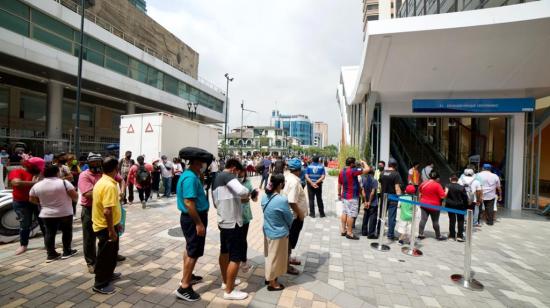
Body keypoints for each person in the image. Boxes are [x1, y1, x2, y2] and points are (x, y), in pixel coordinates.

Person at [211, 159, 250, 300]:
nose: (238, 177)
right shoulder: (228, 176)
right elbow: (242, 190)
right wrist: (248, 192)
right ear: (233, 169)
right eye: (238, 173)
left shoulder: (216, 179)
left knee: (224, 252)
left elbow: (216, 203)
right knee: (236, 257)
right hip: (234, 223)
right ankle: (229, 291)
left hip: (223, 221)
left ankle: (225, 281)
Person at [175, 156, 210, 302]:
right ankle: (184, 287)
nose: (204, 166)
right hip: (193, 218)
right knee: (193, 252)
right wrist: (199, 223)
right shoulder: (189, 178)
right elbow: (189, 202)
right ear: (197, 163)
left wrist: (200, 178)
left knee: (190, 248)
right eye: (202, 163)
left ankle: (188, 276)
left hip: (192, 217)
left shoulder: (192, 176)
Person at [29, 164, 79, 262]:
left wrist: (43, 203)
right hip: (65, 212)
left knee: (49, 233)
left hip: (47, 213)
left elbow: (31, 199)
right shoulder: (64, 183)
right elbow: (75, 196)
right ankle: (67, 251)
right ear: (57, 172)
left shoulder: (37, 185)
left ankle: (51, 254)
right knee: (67, 232)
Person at [91, 157, 122, 294]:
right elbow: (107, 211)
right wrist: (111, 231)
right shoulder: (109, 185)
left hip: (108, 225)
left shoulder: (103, 181)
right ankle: (100, 284)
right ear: (116, 168)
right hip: (105, 227)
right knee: (105, 255)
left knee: (111, 254)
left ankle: (108, 274)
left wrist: (116, 224)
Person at [262, 174, 293, 291]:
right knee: (275, 259)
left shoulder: (265, 197)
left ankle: (268, 277)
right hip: (278, 233)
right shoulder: (282, 200)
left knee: (269, 256)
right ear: (280, 184)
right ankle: (272, 283)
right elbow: (289, 218)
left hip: (267, 230)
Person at [9, 157, 46, 255]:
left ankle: (48, 243)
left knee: (43, 223)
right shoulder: (17, 171)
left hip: (36, 201)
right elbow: (16, 183)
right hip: (22, 202)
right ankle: (23, 245)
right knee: (25, 224)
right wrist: (35, 183)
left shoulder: (38, 173)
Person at [282, 158, 307, 276]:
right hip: (294, 216)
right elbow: (292, 201)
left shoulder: (286, 177)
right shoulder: (295, 181)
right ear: (298, 170)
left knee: (289, 240)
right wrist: (300, 214)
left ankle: (288, 258)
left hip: (288, 214)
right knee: (290, 240)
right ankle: (286, 265)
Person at [338, 157, 369, 240]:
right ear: (351, 164)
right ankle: (350, 233)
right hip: (352, 197)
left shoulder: (342, 171)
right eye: (354, 163)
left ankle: (343, 230)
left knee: (344, 212)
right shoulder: (352, 171)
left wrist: (338, 194)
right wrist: (364, 162)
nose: (355, 164)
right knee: (351, 214)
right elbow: (367, 170)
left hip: (344, 196)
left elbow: (339, 184)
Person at [238, 168, 258, 273]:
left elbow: (254, 199)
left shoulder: (248, 182)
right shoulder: (232, 181)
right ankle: (234, 260)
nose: (240, 173)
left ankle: (244, 262)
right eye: (238, 171)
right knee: (234, 239)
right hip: (234, 216)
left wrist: (254, 195)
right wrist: (242, 199)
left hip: (245, 215)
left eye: (242, 171)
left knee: (243, 239)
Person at [418, 171, 447, 241]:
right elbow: (443, 196)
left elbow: (420, 191)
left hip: (424, 204)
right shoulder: (437, 185)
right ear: (436, 178)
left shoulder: (424, 183)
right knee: (435, 221)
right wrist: (446, 191)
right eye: (438, 178)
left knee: (423, 219)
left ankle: (420, 234)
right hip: (435, 206)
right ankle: (438, 235)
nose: (439, 179)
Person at [379, 158, 403, 241]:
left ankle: (379, 231)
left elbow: (381, 183)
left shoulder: (382, 173)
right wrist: (400, 198)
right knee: (391, 217)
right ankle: (390, 235)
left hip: (383, 197)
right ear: (395, 165)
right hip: (393, 197)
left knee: (382, 214)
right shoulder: (396, 174)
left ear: (388, 164)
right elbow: (397, 188)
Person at [445, 173, 469, 242]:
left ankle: (452, 236)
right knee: (460, 221)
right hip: (460, 206)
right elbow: (465, 198)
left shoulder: (447, 186)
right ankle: (460, 236)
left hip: (450, 205)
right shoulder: (462, 187)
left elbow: (445, 195)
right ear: (457, 180)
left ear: (450, 179)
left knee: (452, 220)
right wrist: (466, 206)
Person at [361, 168, 378, 239]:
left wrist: (365, 201)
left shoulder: (363, 179)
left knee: (366, 216)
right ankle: (371, 234)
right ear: (373, 173)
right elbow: (372, 192)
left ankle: (364, 232)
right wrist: (369, 202)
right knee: (372, 218)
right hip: (373, 202)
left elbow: (363, 192)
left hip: (365, 201)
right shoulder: (374, 180)